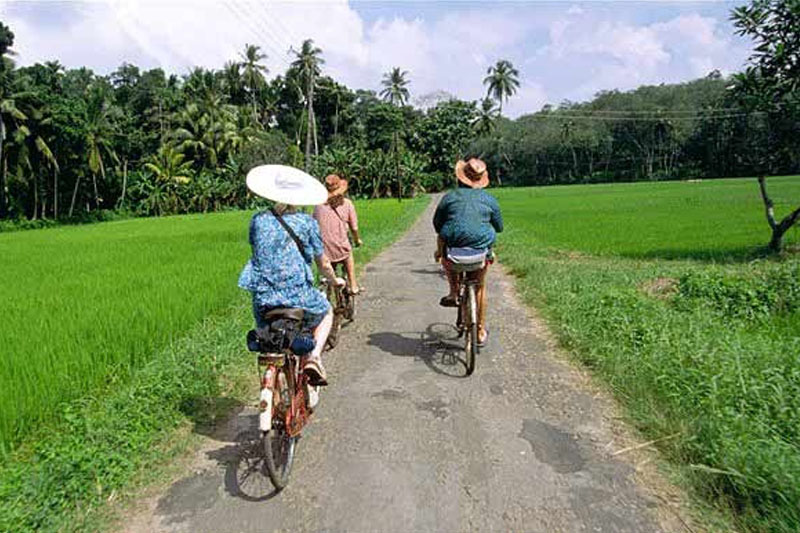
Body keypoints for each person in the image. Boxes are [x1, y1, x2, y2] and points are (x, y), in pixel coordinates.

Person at [238, 166, 345, 386]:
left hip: (263, 299)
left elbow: (259, 251)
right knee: (326, 312)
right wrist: (335, 280)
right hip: (298, 296)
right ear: (298, 196)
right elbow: (323, 263)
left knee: (268, 331)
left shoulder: (257, 220)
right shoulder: (306, 222)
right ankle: (314, 358)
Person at [433, 157, 503, 347]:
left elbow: (437, 225)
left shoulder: (449, 197)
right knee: (480, 286)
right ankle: (480, 330)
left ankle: (454, 291)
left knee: (443, 243)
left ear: (461, 177)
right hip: (480, 255)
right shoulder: (489, 199)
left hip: (453, 255)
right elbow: (499, 227)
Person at [313, 174, 363, 294]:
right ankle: (353, 284)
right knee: (348, 253)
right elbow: (354, 228)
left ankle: (327, 285)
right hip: (340, 246)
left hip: (323, 248)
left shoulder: (318, 206)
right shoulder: (347, 204)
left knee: (326, 268)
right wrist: (357, 240)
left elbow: (314, 223)